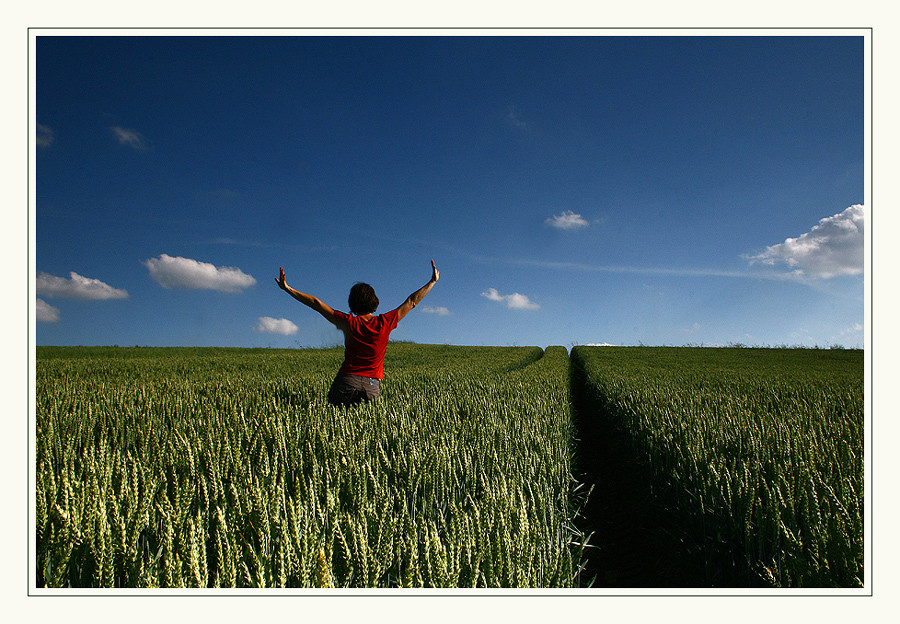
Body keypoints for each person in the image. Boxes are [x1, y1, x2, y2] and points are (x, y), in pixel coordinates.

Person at [276, 260, 440, 406]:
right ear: (374, 302)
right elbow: (412, 301)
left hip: (346, 382)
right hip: (372, 387)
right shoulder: (384, 322)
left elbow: (316, 303)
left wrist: (288, 288)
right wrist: (432, 282)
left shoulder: (348, 322)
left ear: (352, 303)